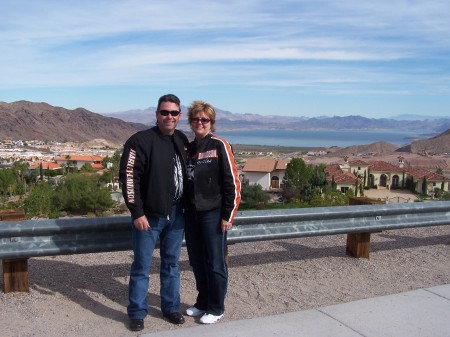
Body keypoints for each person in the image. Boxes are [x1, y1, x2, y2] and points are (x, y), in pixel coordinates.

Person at [119, 94, 188, 331]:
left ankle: (170, 308)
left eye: (174, 113)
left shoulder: (181, 139)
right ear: (156, 114)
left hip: (177, 214)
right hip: (149, 215)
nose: (169, 117)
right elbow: (129, 178)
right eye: (164, 112)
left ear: (179, 116)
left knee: (171, 265)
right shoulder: (139, 141)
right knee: (142, 266)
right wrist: (137, 212)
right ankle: (137, 313)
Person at [184, 100, 241, 324]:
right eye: (196, 119)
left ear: (211, 122)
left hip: (213, 213)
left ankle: (216, 308)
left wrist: (228, 215)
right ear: (191, 121)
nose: (200, 122)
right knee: (197, 261)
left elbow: (233, 183)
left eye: (204, 119)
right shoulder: (189, 148)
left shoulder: (219, 145)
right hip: (191, 213)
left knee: (215, 262)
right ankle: (202, 302)